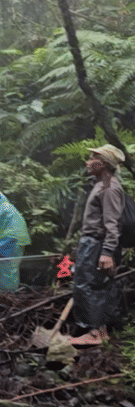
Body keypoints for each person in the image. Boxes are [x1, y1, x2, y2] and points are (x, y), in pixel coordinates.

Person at [68, 145, 126, 346]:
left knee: (89, 286)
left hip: (98, 245)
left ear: (103, 164)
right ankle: (102, 330)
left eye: (93, 157)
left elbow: (113, 223)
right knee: (100, 285)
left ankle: (95, 333)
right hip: (93, 243)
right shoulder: (101, 184)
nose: (88, 161)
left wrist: (107, 252)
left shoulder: (109, 187)